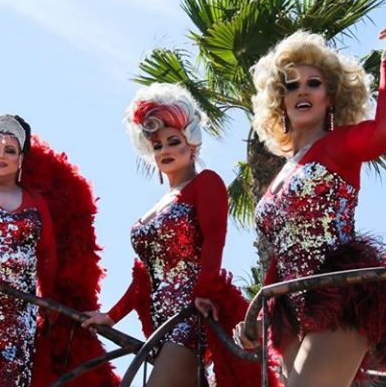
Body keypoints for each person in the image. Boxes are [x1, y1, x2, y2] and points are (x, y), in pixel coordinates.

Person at [235, 17, 386, 387]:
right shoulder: (283, 173)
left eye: (313, 84)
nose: (302, 91)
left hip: (340, 294)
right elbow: (280, 251)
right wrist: (261, 315)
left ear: (329, 98)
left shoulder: (339, 143)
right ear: (280, 100)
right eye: (291, 85)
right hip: (291, 310)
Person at [82, 83, 278, 387]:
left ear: (192, 144)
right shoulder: (158, 206)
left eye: (173, 141)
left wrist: (203, 293)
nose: (165, 150)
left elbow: (214, 241)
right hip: (160, 326)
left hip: (190, 318)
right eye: (157, 145)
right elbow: (143, 277)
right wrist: (111, 316)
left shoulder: (205, 183)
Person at [0, 114, 118, 386]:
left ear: (21, 159)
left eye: (10, 150)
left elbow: (47, 259)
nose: (0, 155)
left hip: (17, 321)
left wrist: (52, 312)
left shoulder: (35, 201)